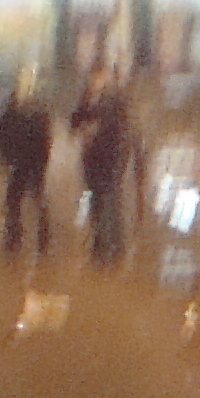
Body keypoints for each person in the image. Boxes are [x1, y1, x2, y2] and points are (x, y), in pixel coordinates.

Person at [70, 67, 136, 269]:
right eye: (93, 79)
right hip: (92, 160)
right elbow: (74, 121)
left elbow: (121, 131)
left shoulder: (114, 102)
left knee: (109, 202)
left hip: (110, 160)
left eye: (99, 79)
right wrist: (81, 129)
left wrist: (98, 131)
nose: (95, 82)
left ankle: (109, 247)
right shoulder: (85, 100)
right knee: (98, 202)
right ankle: (103, 245)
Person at [0, 69, 55, 261]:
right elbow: (1, 130)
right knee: (14, 201)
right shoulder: (11, 105)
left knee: (36, 199)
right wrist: (3, 156)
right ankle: (14, 238)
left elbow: (45, 136)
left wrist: (43, 160)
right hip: (18, 162)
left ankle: (42, 237)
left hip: (33, 161)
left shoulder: (37, 106)